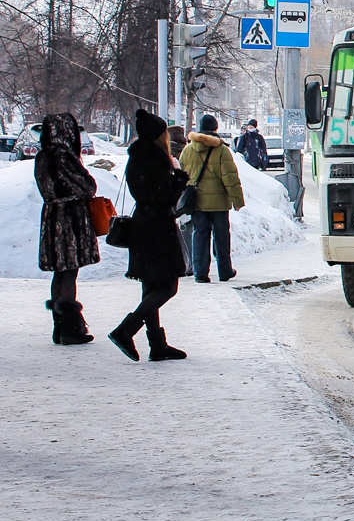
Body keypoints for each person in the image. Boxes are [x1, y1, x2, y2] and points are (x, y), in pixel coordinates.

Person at [108, 110, 189, 362]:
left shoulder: (137, 157)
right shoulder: (155, 159)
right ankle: (126, 330)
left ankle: (157, 345)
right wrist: (179, 181)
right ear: (158, 135)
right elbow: (164, 198)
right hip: (158, 229)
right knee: (167, 287)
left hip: (142, 226)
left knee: (151, 286)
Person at [33, 113, 99, 345]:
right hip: (69, 217)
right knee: (70, 269)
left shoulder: (42, 157)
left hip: (51, 216)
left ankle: (58, 325)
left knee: (59, 271)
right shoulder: (65, 157)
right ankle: (72, 328)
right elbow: (87, 186)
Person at [180, 114, 245, 283]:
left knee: (199, 235)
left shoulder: (188, 150)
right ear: (215, 129)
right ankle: (225, 271)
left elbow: (181, 174)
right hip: (219, 204)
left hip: (197, 202)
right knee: (221, 236)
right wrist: (237, 201)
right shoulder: (221, 150)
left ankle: (200, 273)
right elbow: (230, 177)